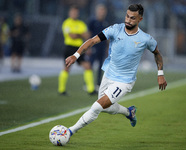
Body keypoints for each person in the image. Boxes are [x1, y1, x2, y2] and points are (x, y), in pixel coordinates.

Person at [65, 4, 167, 137]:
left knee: (97, 106)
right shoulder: (115, 29)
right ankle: (129, 112)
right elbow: (92, 41)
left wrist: (160, 73)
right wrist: (76, 55)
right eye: (127, 16)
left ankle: (69, 131)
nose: (128, 20)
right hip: (108, 74)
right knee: (105, 106)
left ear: (140, 19)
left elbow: (157, 54)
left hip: (124, 81)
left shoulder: (145, 39)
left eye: (132, 18)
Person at [58, 5, 96, 95]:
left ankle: (91, 89)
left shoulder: (81, 23)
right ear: (70, 13)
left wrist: (79, 35)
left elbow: (87, 35)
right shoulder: (66, 23)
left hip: (79, 49)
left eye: (76, 12)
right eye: (73, 12)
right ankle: (61, 90)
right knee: (67, 68)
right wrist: (81, 34)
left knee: (87, 66)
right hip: (69, 48)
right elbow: (72, 36)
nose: (74, 14)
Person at [88, 4, 109, 88]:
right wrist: (88, 47)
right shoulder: (92, 22)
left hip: (102, 47)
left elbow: (108, 36)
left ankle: (98, 83)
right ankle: (88, 83)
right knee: (90, 65)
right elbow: (88, 35)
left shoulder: (105, 23)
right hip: (94, 47)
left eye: (103, 11)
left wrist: (108, 47)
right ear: (97, 12)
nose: (101, 12)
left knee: (101, 66)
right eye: (100, 10)